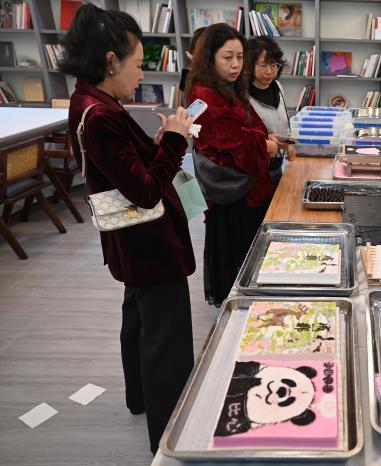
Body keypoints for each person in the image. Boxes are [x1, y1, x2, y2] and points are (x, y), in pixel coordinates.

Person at [60, 3, 195, 455]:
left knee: (138, 322)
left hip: (130, 241)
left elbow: (121, 167)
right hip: (149, 242)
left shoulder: (89, 100)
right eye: (138, 64)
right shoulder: (101, 114)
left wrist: (155, 145)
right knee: (165, 341)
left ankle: (139, 398)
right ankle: (170, 437)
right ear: (111, 61)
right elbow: (146, 191)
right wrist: (175, 141)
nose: (142, 73)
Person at [186, 24, 278, 307]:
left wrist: (259, 139)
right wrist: (265, 145)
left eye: (240, 57)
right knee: (239, 259)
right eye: (228, 57)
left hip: (246, 188)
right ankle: (239, 312)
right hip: (233, 194)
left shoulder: (229, 88)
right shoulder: (204, 95)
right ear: (210, 57)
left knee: (249, 255)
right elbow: (241, 144)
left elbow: (256, 127)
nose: (236, 64)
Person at [246, 36, 296, 184]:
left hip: (277, 165)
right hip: (256, 173)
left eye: (273, 64)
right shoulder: (243, 95)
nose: (269, 71)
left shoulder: (277, 87)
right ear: (250, 65)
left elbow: (282, 122)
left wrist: (288, 143)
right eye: (263, 65)